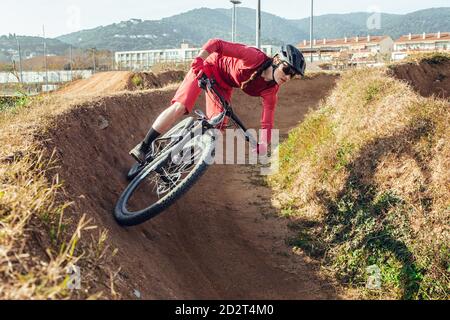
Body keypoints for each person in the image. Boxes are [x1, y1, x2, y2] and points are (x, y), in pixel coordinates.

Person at [130, 39, 306, 163]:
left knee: (216, 130)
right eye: (286, 69)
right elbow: (217, 43)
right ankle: (143, 147)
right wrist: (199, 59)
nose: (288, 76)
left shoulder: (271, 91)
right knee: (180, 107)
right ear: (276, 60)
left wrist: (263, 144)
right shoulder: (253, 57)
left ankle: (179, 159)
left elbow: (267, 121)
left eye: (293, 75)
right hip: (207, 67)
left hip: (223, 85)